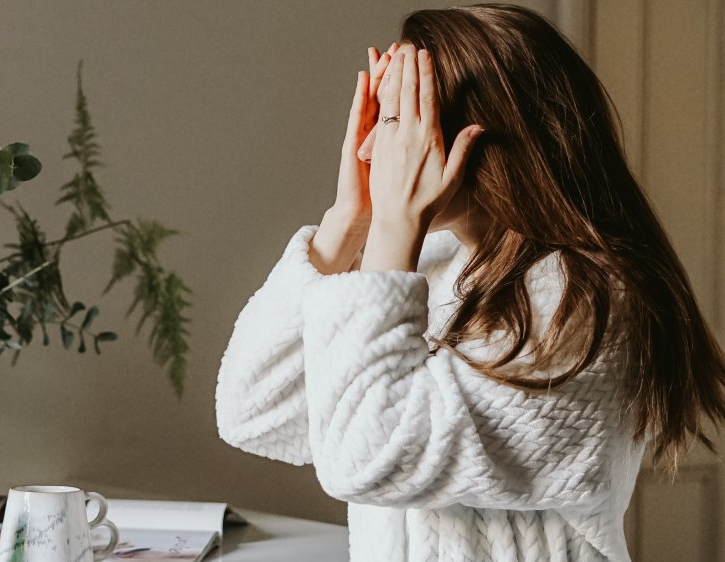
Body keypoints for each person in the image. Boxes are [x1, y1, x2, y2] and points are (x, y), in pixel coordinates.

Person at [214, 3, 725, 561]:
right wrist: (349, 220)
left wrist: (390, 228)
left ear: (478, 137)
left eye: (397, 126)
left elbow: (366, 459)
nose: (371, 151)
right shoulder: (424, 264)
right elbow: (253, 410)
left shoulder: (584, 299)